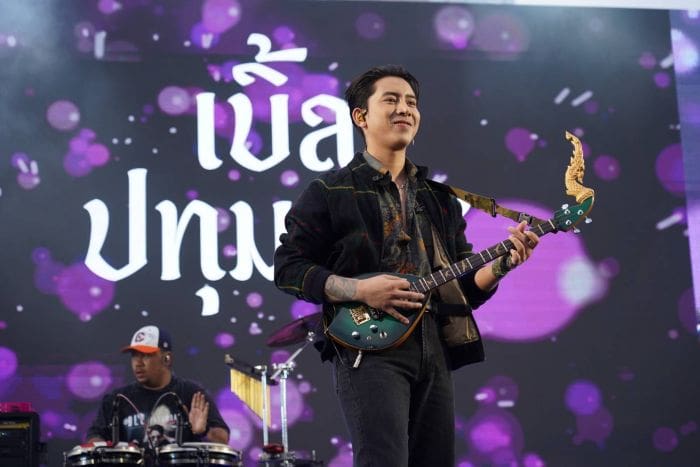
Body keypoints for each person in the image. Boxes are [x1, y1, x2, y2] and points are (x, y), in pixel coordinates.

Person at [274, 65, 539, 466]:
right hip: (368, 347)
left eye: (412, 103)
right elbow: (288, 268)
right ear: (360, 116)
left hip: (434, 345)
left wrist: (502, 265)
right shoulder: (330, 191)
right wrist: (361, 290)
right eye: (391, 100)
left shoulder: (439, 199)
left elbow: (463, 288)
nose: (405, 109)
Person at [87, 325, 229, 449]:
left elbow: (223, 439)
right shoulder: (117, 399)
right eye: (134, 355)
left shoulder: (191, 394)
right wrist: (103, 447)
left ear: (167, 358)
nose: (138, 363)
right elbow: (93, 439)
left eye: (146, 355)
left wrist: (204, 431)